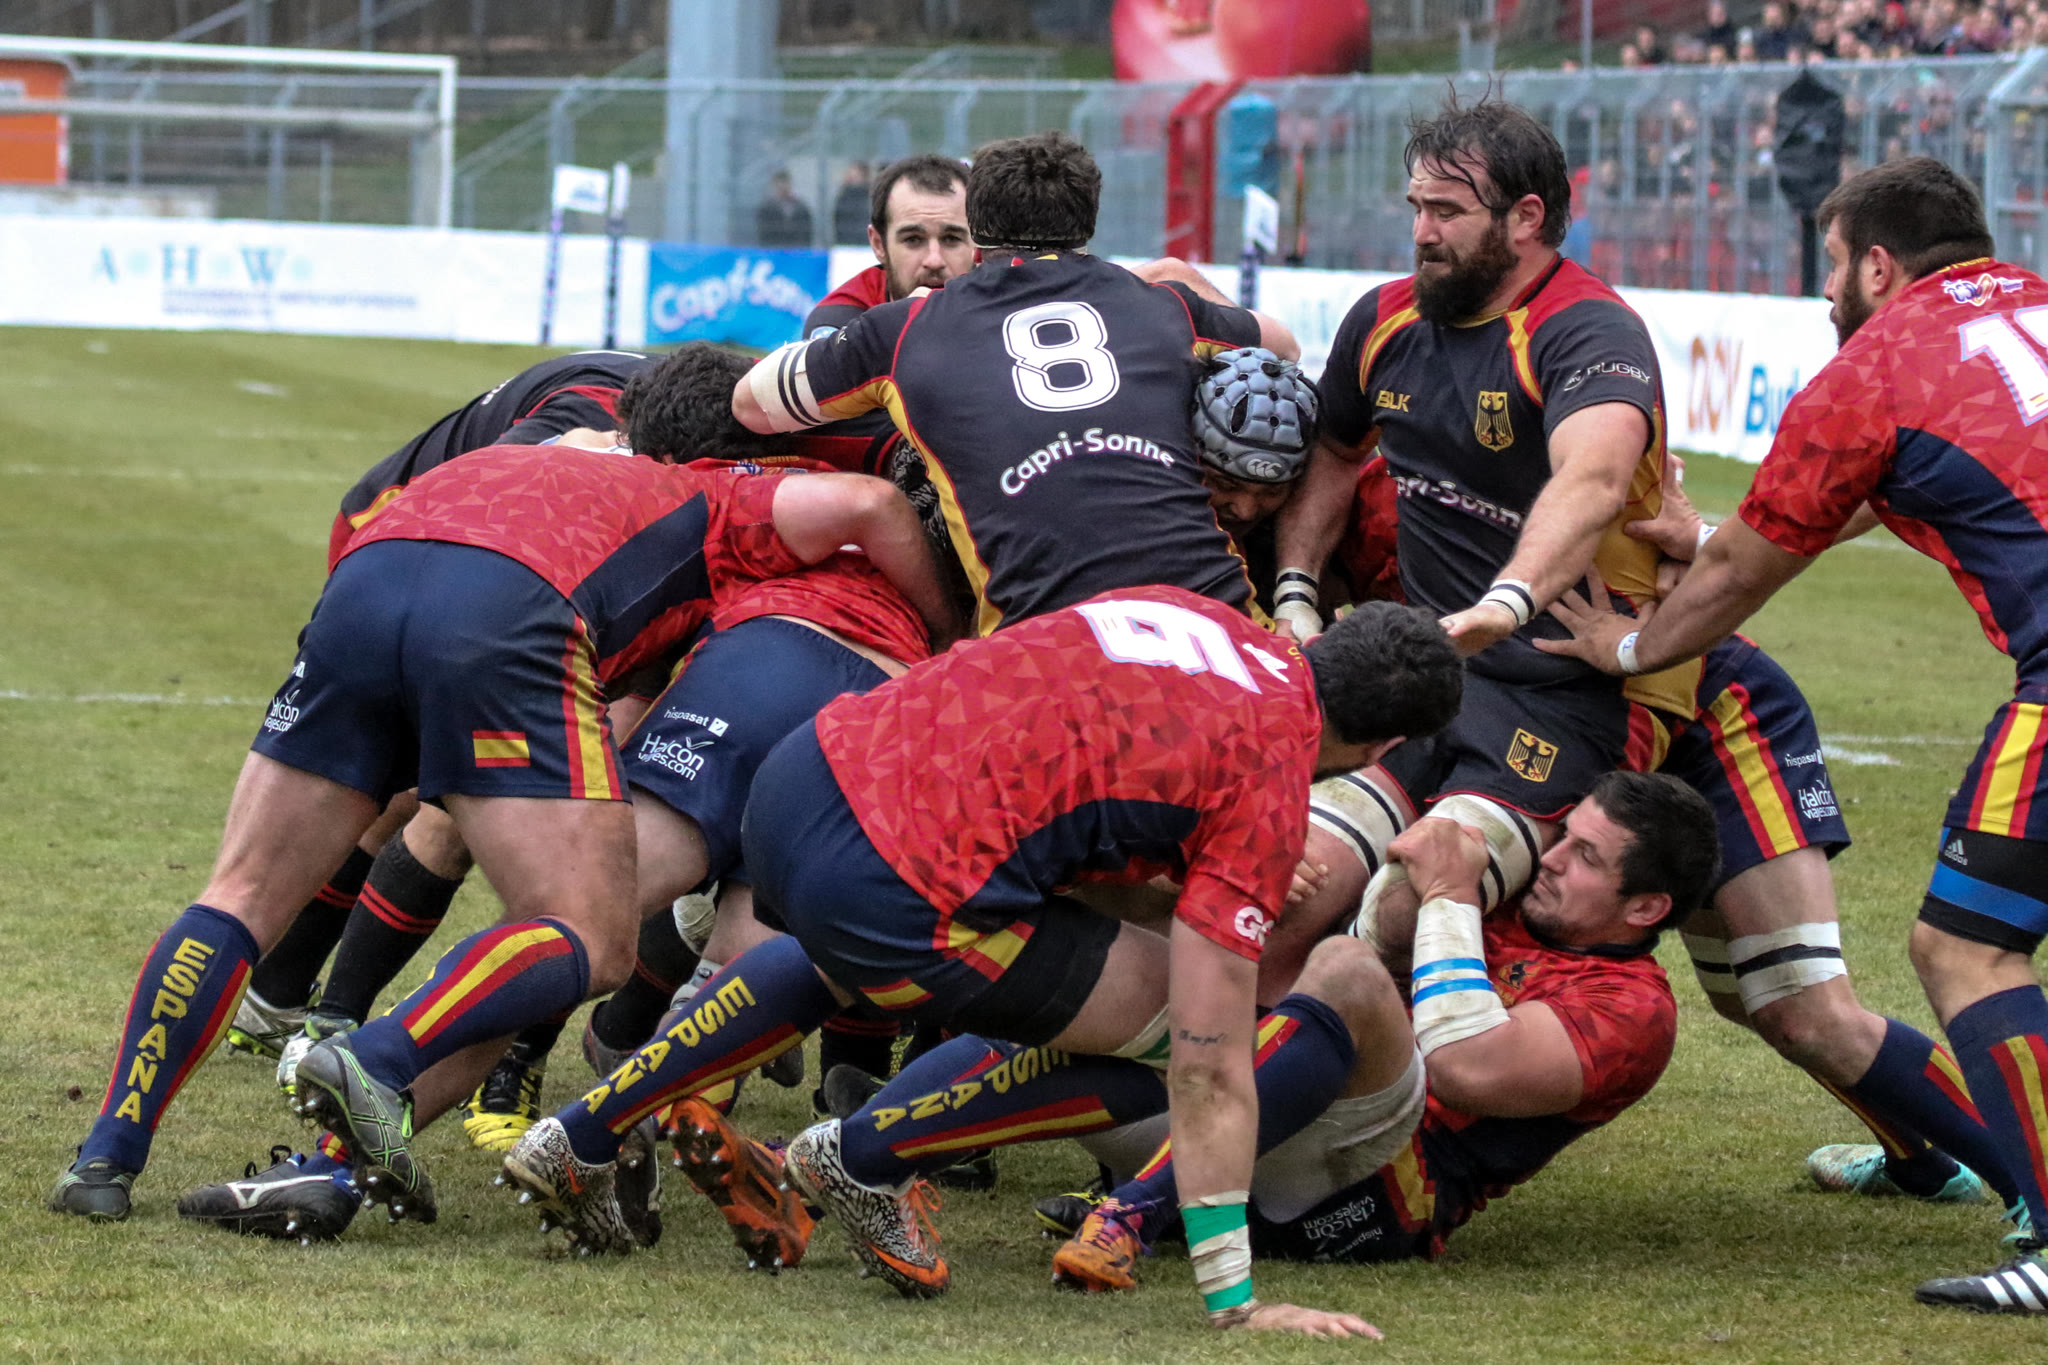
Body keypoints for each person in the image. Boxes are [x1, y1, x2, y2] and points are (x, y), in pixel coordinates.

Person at [49, 442, 951, 1223]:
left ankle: (116, 1157)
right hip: (595, 631)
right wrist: (953, 630)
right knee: (588, 934)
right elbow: (867, 504)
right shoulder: (732, 500)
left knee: (244, 894)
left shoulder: (582, 459)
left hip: (380, 574)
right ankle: (487, 1094)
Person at [497, 595, 1460, 1322]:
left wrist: (1181, 883)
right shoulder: (1268, 775)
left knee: (844, 947)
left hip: (808, 777)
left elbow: (1071, 794)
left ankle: (580, 1133)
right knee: (1180, 1034)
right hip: (888, 883)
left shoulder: (1194, 612)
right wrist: (1234, 1297)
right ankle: (863, 1159)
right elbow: (1209, 1069)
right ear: (1387, 743)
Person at [1535, 155, 2048, 1313]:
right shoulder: (2024, 303)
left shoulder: (1870, 368)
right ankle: (1937, 1158)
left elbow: (1737, 579)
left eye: (1830, 263)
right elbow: (1890, 481)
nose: (1821, 290)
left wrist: (1627, 647)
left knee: (1962, 950)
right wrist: (1712, 534)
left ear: (1876, 264)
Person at [1270, 93, 1688, 951]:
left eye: (1448, 212)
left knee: (1411, 895)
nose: (1422, 233)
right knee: (1286, 877)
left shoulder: (1588, 330)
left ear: (1526, 218)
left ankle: (1393, 1032)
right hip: (1428, 676)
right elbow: (1336, 452)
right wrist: (1296, 591)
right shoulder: (1384, 318)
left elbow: (1594, 477)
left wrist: (1506, 605)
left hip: (1578, 694)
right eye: (1417, 208)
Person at [1048, 771, 1713, 1281]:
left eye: (1587, 856)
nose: (1554, 858)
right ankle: (983, 1148)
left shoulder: (1633, 1008)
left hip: (1361, 1197)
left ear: (1646, 908)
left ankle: (1138, 1209)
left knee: (1348, 971)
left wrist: (1451, 894)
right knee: (1096, 943)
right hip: (1279, 1128)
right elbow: (1388, 932)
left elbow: (1466, 1066)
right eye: (1563, 835)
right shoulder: (1515, 893)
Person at [733, 130, 1297, 636]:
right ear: (1088, 224)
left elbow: (749, 404)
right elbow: (1285, 349)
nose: (933, 259)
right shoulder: (1164, 303)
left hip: (1039, 644)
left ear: (976, 234)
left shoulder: (902, 327)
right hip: (1222, 623)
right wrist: (1161, 288)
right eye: (913, 240)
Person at [805, 154, 975, 339]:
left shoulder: (998, 310)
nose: (934, 261)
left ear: (978, 244)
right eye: (913, 240)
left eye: (951, 239)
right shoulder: (843, 321)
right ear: (879, 245)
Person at [757, 170, 813, 249]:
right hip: (774, 249)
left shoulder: (801, 208)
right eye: (780, 185)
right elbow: (763, 232)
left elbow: (807, 231)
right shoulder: (766, 209)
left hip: (796, 249)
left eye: (785, 183)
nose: (783, 187)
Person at [832, 160, 872, 246]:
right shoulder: (842, 198)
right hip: (844, 243)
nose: (850, 180)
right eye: (850, 176)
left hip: (863, 245)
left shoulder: (870, 199)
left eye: (855, 177)